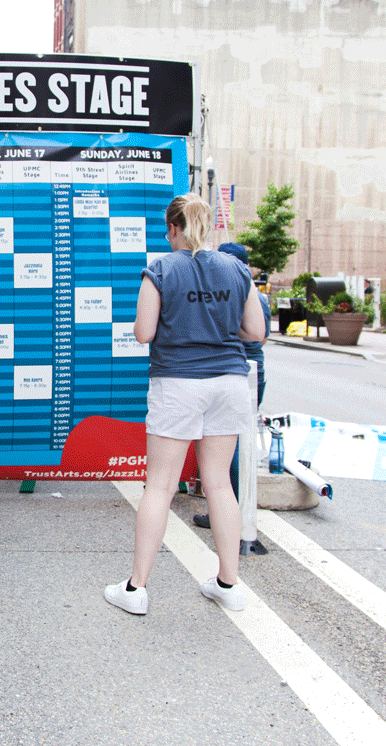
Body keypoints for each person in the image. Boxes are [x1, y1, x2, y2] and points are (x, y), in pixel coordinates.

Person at [104, 194, 267, 616]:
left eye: (166, 228)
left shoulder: (161, 268)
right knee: (218, 483)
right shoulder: (236, 269)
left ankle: (136, 589)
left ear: (173, 229)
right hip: (229, 383)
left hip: (177, 382)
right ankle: (228, 584)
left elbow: (143, 332)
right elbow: (256, 331)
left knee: (159, 484)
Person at [193, 241, 269, 530]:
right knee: (231, 444)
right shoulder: (251, 292)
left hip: (240, 371)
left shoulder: (245, 291)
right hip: (244, 372)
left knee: (230, 448)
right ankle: (230, 512)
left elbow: (258, 336)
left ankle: (228, 513)